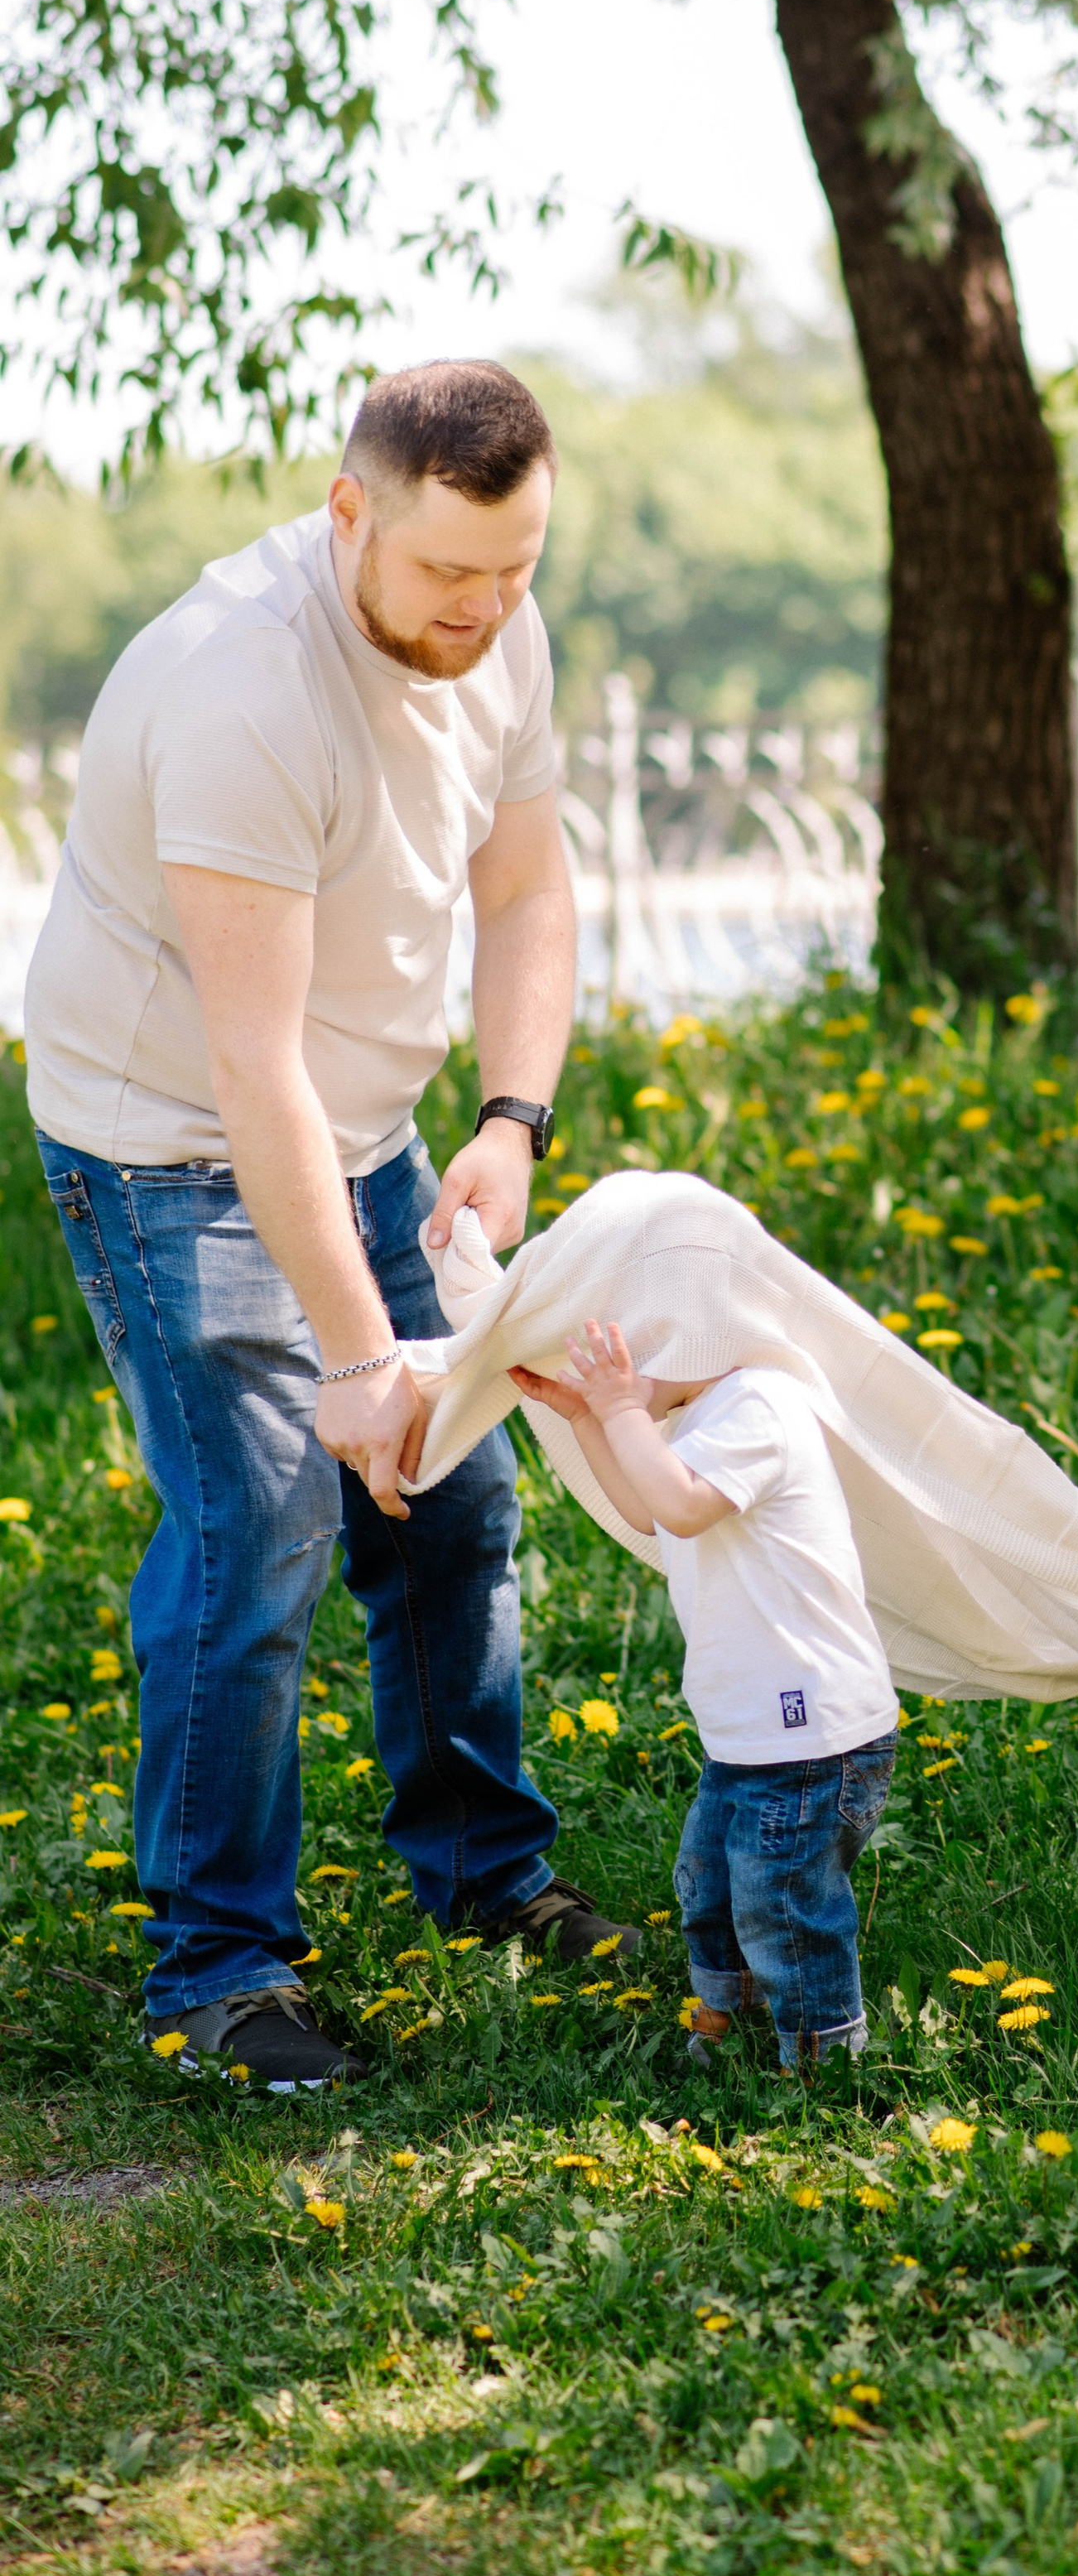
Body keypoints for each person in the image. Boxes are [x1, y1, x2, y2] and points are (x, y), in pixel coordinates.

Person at [26, 360, 638, 2092]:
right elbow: (250, 1065)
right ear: (348, 512)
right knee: (265, 1522)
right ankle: (217, 1970)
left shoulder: (498, 625)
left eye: (516, 570)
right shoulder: (242, 688)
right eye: (451, 575)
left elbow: (526, 890)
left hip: (360, 1125)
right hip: (168, 1147)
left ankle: (483, 1877)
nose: (484, 611)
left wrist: (510, 1120)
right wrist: (356, 1356)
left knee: (453, 1494)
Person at [507, 1319, 900, 2069]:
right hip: (753, 1734)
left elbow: (682, 1505)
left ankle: (826, 2061)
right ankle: (730, 2014)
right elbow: (653, 1513)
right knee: (713, 1879)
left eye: (626, 1355)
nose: (610, 1371)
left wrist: (622, 1412)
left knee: (782, 1898)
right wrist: (594, 1418)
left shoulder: (763, 1404)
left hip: (811, 1733)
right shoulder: (708, 1415)